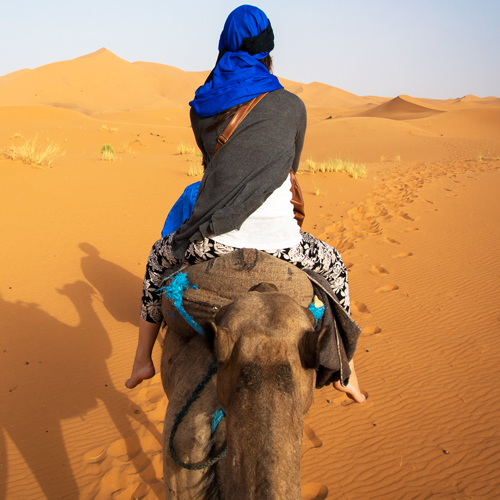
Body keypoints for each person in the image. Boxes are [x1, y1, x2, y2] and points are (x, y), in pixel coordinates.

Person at [126, 5, 365, 403]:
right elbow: (290, 169)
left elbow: (212, 164)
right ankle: (346, 370)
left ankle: (141, 361)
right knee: (335, 266)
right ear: (268, 48)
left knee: (157, 261)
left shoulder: (202, 106)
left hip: (214, 241)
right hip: (283, 243)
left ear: (225, 44)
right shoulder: (292, 106)